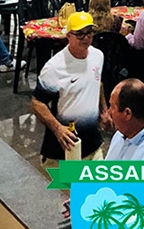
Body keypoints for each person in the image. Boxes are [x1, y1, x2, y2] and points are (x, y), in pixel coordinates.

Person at [31, 11, 109, 167]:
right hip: (65, 148)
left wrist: (104, 111)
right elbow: (37, 103)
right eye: (80, 34)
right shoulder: (55, 67)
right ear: (68, 36)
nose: (86, 38)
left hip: (93, 144)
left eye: (89, 33)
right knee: (68, 183)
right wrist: (58, 129)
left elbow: (97, 83)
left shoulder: (98, 56)